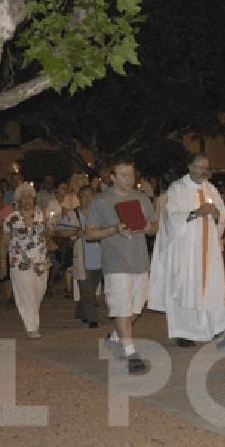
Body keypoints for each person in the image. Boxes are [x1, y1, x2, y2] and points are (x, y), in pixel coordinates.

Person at [149, 153, 225, 348]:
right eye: (200, 167)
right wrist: (196, 213)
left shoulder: (210, 188)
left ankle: (220, 329)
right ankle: (185, 332)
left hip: (209, 249)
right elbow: (170, 217)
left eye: (206, 168)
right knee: (186, 286)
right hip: (186, 250)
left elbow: (223, 214)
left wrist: (217, 214)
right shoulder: (177, 189)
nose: (204, 171)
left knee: (213, 286)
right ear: (190, 167)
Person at [87, 159, 158, 374]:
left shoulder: (142, 198)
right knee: (122, 307)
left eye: (132, 174)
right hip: (115, 264)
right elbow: (90, 234)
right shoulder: (100, 201)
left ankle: (116, 336)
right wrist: (114, 230)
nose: (130, 178)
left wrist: (147, 227)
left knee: (136, 308)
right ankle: (131, 354)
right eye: (124, 174)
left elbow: (155, 227)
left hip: (140, 262)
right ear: (113, 177)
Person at [0, 183, 53, 339]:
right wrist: (2, 263)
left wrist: (51, 228)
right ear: (18, 201)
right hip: (20, 263)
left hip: (41, 262)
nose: (27, 200)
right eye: (23, 198)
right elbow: (4, 241)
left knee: (37, 294)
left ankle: (31, 318)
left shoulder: (42, 215)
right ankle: (32, 327)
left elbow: (48, 237)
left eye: (30, 197)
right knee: (27, 294)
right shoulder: (11, 218)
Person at [60, 185, 102, 329]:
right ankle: (93, 318)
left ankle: (80, 311)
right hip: (82, 258)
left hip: (98, 257)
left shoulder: (99, 214)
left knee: (91, 288)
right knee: (86, 290)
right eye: (84, 196)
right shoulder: (73, 215)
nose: (88, 199)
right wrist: (75, 231)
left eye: (91, 195)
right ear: (79, 198)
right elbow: (60, 231)